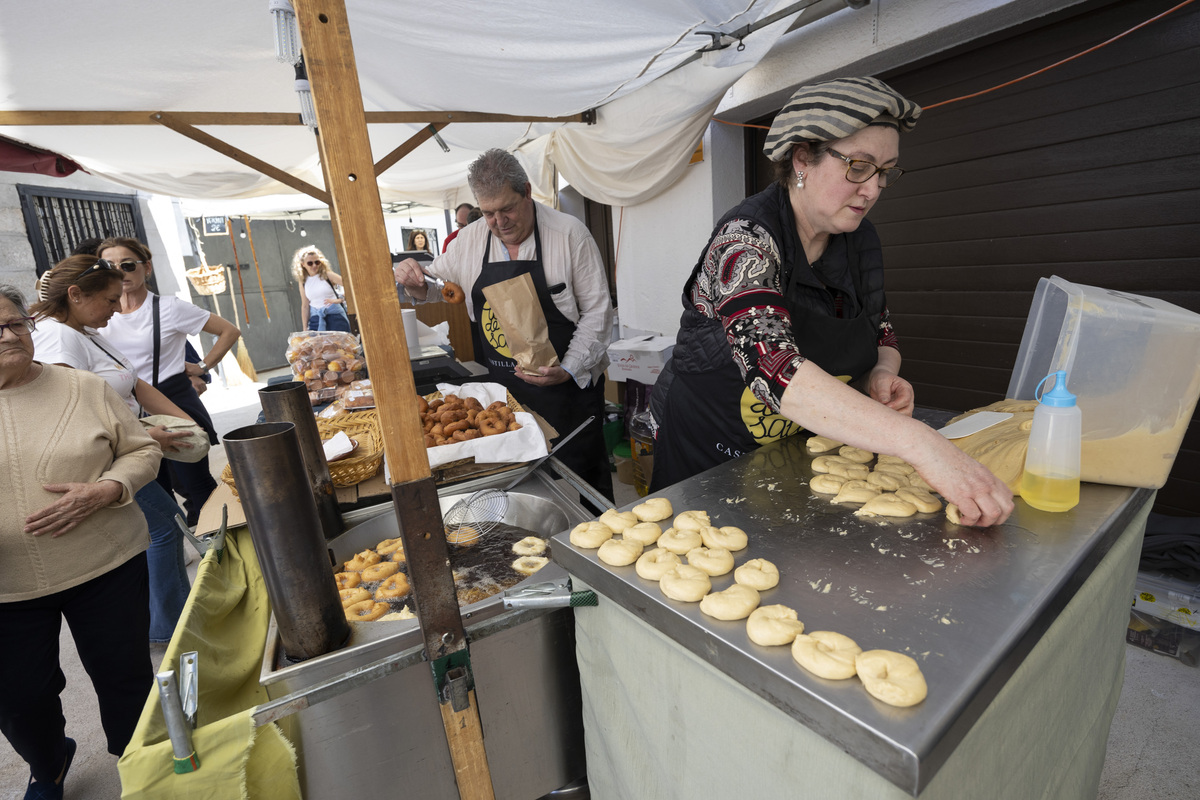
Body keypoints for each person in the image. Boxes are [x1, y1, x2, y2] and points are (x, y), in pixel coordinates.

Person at [648, 77, 1013, 528]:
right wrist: (922, 444)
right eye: (859, 166)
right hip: (708, 454)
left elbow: (879, 325)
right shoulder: (746, 241)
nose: (873, 189)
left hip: (793, 456)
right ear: (802, 159)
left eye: (885, 171)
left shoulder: (857, 240)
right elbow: (772, 367)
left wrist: (882, 372)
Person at [0, 284, 160, 800]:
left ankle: (142, 767)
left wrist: (108, 488)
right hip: (7, 587)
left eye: (15, 323)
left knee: (124, 677)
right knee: (19, 698)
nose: (7, 336)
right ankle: (48, 764)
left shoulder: (83, 388)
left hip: (105, 563)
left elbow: (140, 452)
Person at [394, 148, 615, 501]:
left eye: (507, 208)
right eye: (488, 213)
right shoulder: (470, 240)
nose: (499, 222)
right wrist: (413, 278)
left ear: (527, 191)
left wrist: (569, 368)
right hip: (505, 393)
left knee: (582, 480)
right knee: (519, 486)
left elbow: (598, 312)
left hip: (567, 390)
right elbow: (436, 287)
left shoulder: (569, 235)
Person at [30, 255, 195, 643]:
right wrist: (145, 438)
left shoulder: (85, 330)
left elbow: (134, 383)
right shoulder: (59, 337)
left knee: (163, 528)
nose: (117, 309)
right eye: (109, 300)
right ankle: (171, 628)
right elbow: (70, 411)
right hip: (106, 459)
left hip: (124, 450)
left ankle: (171, 621)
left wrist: (187, 422)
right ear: (75, 294)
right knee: (165, 528)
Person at [96, 236, 241, 526]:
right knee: (157, 490)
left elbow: (229, 331)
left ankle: (220, 548)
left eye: (127, 264)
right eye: (109, 266)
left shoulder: (168, 308)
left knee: (197, 487)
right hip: (126, 409)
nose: (120, 272)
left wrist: (201, 366)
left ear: (146, 267)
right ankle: (177, 553)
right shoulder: (100, 315)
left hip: (172, 400)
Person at [292, 246, 350, 332]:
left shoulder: (327, 275)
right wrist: (305, 328)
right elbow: (305, 305)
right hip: (316, 319)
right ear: (302, 264)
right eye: (310, 263)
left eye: (317, 262)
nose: (314, 265)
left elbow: (351, 286)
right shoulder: (303, 281)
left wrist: (340, 300)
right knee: (318, 345)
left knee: (340, 345)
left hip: (335, 316)